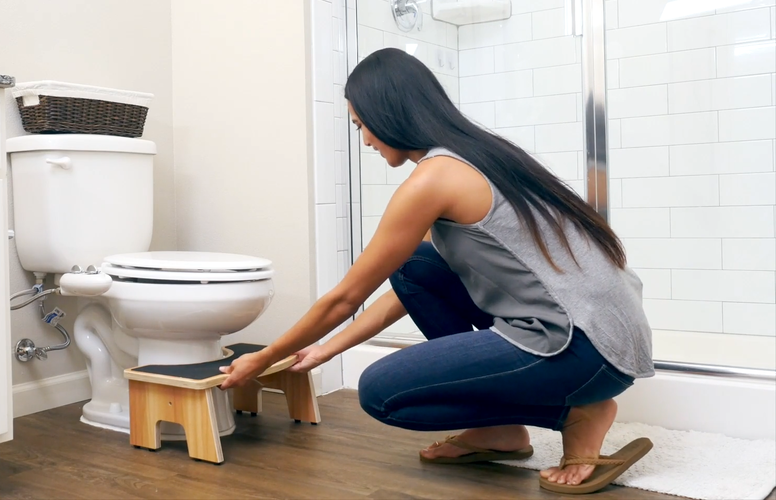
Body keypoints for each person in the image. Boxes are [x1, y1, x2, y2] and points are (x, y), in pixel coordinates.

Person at [219, 47, 654, 495]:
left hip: (583, 346)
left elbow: (345, 297)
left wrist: (265, 357)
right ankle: (499, 432)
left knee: (381, 393)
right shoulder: (476, 155)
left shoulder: (433, 179)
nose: (364, 140)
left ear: (386, 114)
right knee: (414, 266)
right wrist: (326, 350)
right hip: (599, 333)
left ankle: (577, 414)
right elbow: (406, 289)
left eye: (361, 125)